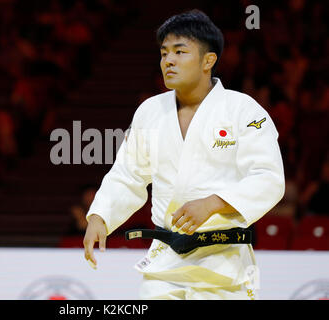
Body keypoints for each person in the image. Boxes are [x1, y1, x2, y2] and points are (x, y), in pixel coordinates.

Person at [83, 10, 285, 300]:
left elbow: (269, 179)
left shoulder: (243, 110)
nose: (169, 61)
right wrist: (100, 216)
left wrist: (214, 204)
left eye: (180, 51)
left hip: (223, 264)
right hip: (165, 265)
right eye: (164, 53)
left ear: (208, 60)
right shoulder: (150, 111)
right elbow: (128, 174)